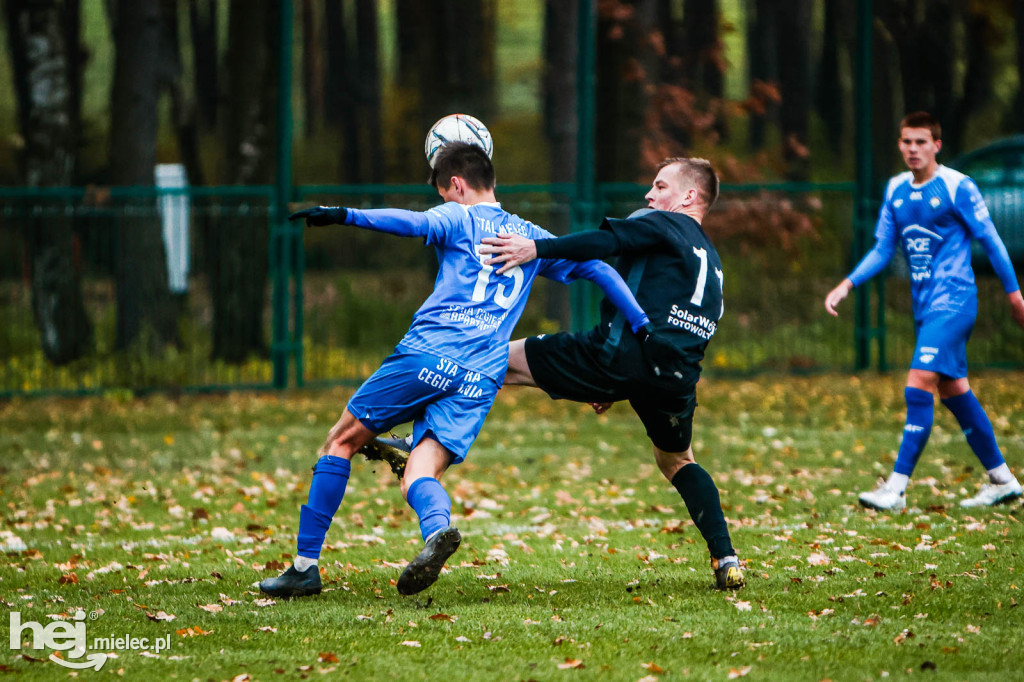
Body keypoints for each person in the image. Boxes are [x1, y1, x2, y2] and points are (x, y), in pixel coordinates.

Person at [259, 142, 660, 598]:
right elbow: (602, 272)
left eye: (443, 194)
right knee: (419, 471)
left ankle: (305, 568)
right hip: (481, 375)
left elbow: (412, 223)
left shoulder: (460, 217)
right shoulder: (531, 237)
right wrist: (643, 327)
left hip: (429, 352)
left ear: (456, 184)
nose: (442, 204)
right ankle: (435, 533)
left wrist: (344, 214)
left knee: (341, 440)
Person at [476, 157, 744, 590]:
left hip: (618, 355)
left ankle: (417, 437)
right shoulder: (712, 264)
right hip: (674, 377)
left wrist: (536, 249)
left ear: (689, 197)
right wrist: (618, 384)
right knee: (677, 460)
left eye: (659, 186)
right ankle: (726, 556)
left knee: (495, 360)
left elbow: (602, 243)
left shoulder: (663, 225)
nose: (649, 196)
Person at [825, 111, 1024, 511]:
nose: (913, 149)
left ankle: (895, 488)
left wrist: (1015, 294)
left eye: (921, 142)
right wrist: (847, 285)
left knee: (918, 385)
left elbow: (992, 240)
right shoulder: (896, 189)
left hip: (954, 300)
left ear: (937, 145)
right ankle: (1003, 479)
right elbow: (883, 248)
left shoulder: (957, 186)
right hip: (924, 307)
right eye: (906, 142)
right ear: (899, 145)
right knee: (955, 391)